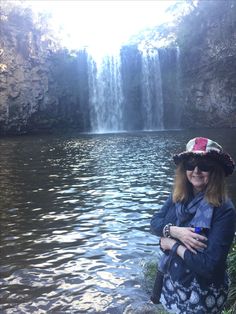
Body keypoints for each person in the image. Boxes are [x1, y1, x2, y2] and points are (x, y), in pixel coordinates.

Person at [150, 137, 236, 314]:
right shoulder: (178, 196)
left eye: (204, 165)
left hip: (204, 292)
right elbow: (155, 223)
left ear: (216, 171)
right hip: (175, 283)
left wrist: (171, 244)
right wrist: (174, 231)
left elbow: (208, 266)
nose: (196, 170)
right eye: (190, 164)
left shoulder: (224, 210)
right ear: (184, 169)